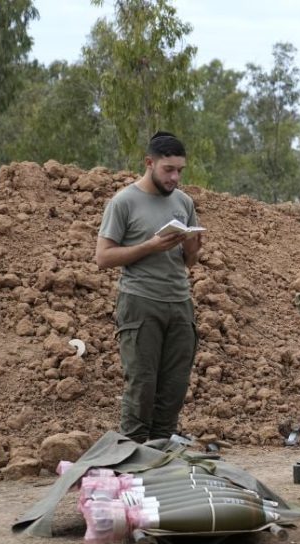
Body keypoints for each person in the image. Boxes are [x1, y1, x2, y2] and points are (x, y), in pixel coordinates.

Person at [95, 131, 202, 442]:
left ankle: (160, 455)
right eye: (168, 170)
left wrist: (194, 247)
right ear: (149, 163)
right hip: (140, 303)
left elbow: (188, 262)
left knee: (174, 387)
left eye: (180, 170)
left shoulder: (184, 202)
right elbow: (103, 257)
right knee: (142, 385)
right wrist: (151, 245)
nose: (175, 177)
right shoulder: (124, 202)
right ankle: (133, 458)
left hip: (180, 303)